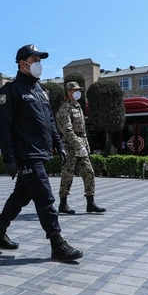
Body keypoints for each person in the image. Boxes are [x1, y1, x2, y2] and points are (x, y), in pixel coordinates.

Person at [0, 44, 83, 262]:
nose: (39, 64)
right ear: (22, 64)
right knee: (45, 196)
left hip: (41, 152)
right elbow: (2, 127)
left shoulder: (41, 91)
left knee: (21, 196)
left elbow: (49, 122)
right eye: (35, 60)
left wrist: (58, 144)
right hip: (26, 154)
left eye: (40, 60)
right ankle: (57, 243)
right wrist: (9, 158)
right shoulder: (10, 92)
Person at [55, 81, 106, 214]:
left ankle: (90, 202)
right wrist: (77, 145)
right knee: (68, 175)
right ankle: (63, 203)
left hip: (81, 145)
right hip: (70, 146)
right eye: (75, 90)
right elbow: (67, 130)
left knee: (89, 172)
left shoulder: (78, 107)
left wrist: (85, 146)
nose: (78, 92)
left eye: (79, 90)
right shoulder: (65, 109)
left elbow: (82, 131)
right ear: (69, 92)